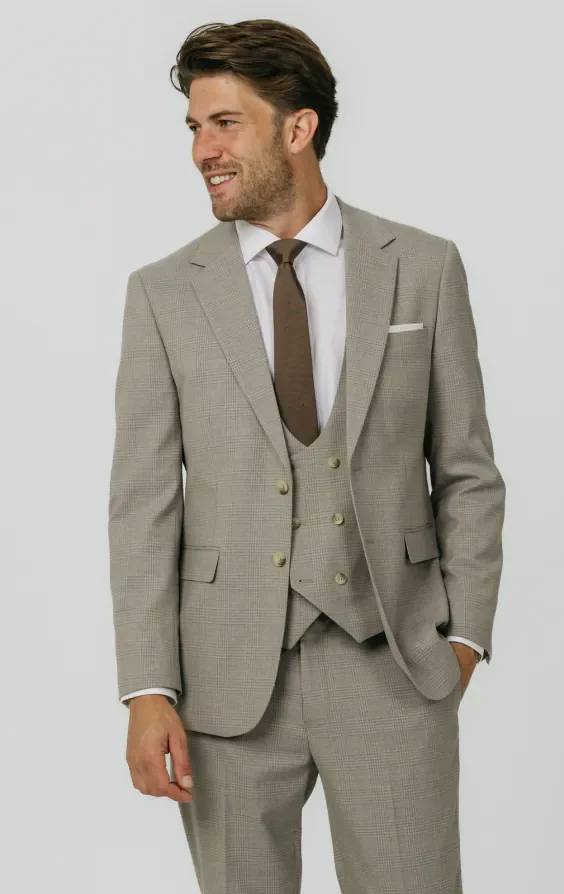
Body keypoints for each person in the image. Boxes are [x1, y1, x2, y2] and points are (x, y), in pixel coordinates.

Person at [108, 18, 505, 894]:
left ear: (299, 127)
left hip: (395, 664)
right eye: (194, 128)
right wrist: (147, 688)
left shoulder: (423, 267)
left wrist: (463, 639)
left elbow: (468, 472)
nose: (202, 151)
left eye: (225, 123)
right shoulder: (164, 294)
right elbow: (143, 505)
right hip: (224, 682)